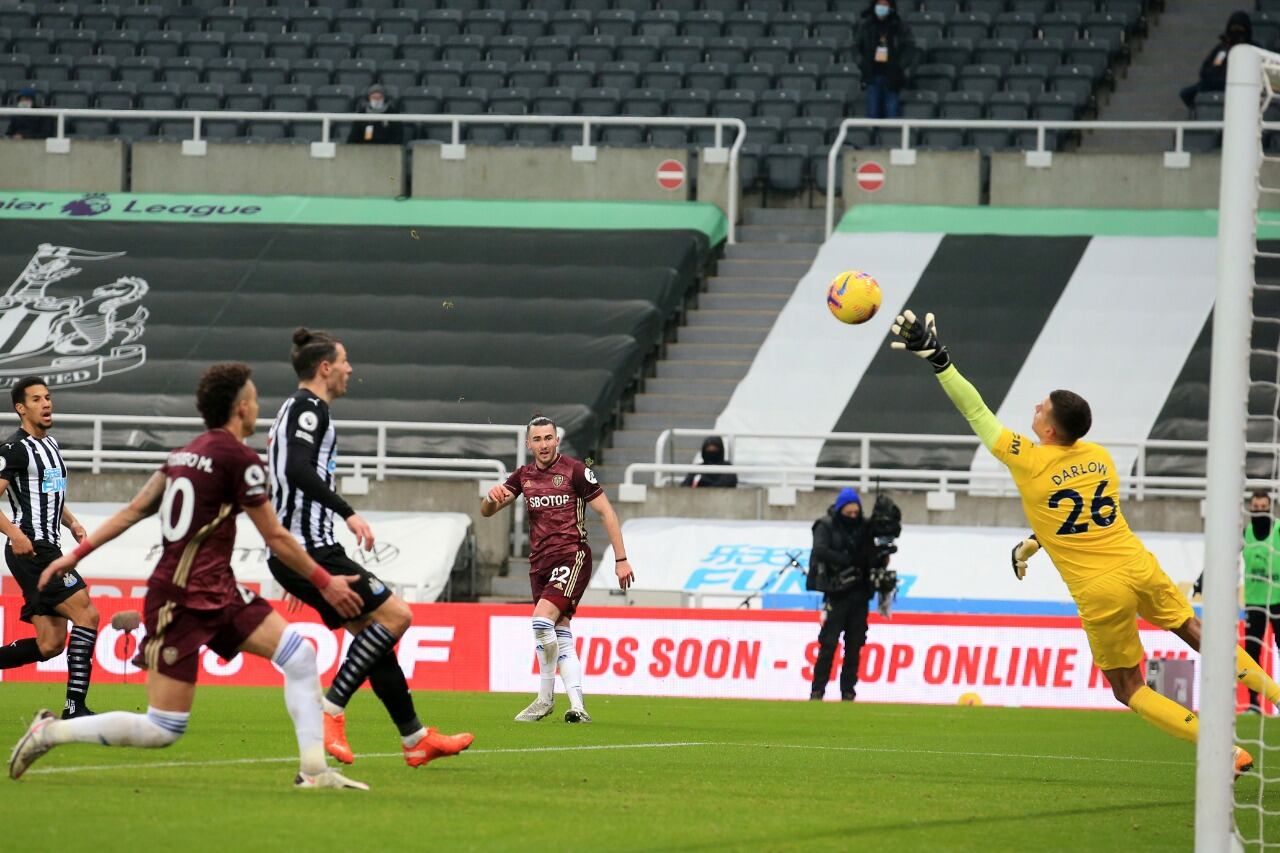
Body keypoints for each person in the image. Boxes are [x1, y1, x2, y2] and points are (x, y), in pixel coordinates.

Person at [890, 309, 1275, 778]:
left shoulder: (1026, 459)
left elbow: (976, 411)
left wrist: (939, 360)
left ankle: (1220, 749)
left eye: (1040, 407)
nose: (1034, 408)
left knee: (1128, 686)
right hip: (1137, 564)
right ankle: (1275, 695)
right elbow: (1076, 518)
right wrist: (1035, 543)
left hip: (1100, 589)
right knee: (1196, 634)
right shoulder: (1099, 457)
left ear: (1050, 430)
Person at [8, 363, 368, 789]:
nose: (257, 408)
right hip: (180, 600)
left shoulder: (182, 454)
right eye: (253, 400)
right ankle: (50, 732)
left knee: (300, 655)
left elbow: (132, 511)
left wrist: (75, 555)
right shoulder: (242, 461)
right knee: (164, 728)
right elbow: (275, 535)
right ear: (241, 408)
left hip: (219, 590)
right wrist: (324, 581)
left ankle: (313, 772)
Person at [267, 328, 472, 767]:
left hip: (303, 552)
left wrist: (291, 556)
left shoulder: (295, 409)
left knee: (374, 641)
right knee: (398, 616)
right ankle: (331, 708)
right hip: (314, 549)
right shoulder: (308, 408)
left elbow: (284, 480)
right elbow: (296, 470)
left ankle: (415, 739)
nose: (349, 369)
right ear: (324, 368)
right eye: (343, 361)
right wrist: (347, 513)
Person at [481, 416, 635, 723]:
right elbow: (488, 512)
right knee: (560, 629)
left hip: (572, 556)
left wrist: (621, 559)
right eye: (537, 439)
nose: (543, 445)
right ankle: (577, 706)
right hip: (539, 563)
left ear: (557, 440)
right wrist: (489, 498)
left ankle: (544, 698)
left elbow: (606, 512)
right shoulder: (522, 476)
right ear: (528, 444)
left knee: (541, 622)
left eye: (548, 438)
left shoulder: (576, 470)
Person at [0, 377, 99, 719]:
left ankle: (74, 705)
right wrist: (15, 533)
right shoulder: (14, 449)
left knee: (51, 644)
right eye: (37, 399)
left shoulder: (51, 445)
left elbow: (50, 492)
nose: (46, 403)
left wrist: (70, 521)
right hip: (34, 550)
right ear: (20, 408)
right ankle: (75, 707)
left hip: (48, 544)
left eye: (48, 397)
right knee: (87, 613)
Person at [807, 487, 879, 702]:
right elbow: (819, 550)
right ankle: (818, 690)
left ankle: (848, 691)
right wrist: (846, 560)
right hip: (836, 593)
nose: (853, 517)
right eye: (848, 514)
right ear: (840, 510)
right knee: (828, 644)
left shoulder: (864, 528)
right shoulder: (826, 526)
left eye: (856, 514)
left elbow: (871, 554)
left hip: (859, 594)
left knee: (855, 644)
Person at [1240, 490, 1280, 712]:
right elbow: (1224, 557)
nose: (1259, 511)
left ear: (1270, 507)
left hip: (1278, 600)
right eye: (1255, 507)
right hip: (1254, 602)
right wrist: (1201, 579)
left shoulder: (1278, 530)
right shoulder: (1245, 533)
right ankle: (1253, 702)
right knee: (1252, 651)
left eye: (1263, 507)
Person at [1180, 11, 1253, 111]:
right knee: (1186, 94)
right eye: (1233, 28)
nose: (1236, 32)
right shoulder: (1222, 48)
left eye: (1240, 29)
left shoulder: (1254, 50)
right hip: (1213, 83)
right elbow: (1204, 70)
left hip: (1241, 87)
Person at [856, 0, 915, 120]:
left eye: (885, 5)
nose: (881, 8)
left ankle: (890, 139)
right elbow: (856, 47)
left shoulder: (899, 26)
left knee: (891, 115)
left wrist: (899, 66)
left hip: (892, 77)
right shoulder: (866, 26)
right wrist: (862, 63)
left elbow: (909, 47)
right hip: (872, 76)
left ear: (890, 7)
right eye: (879, 5)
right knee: (872, 115)